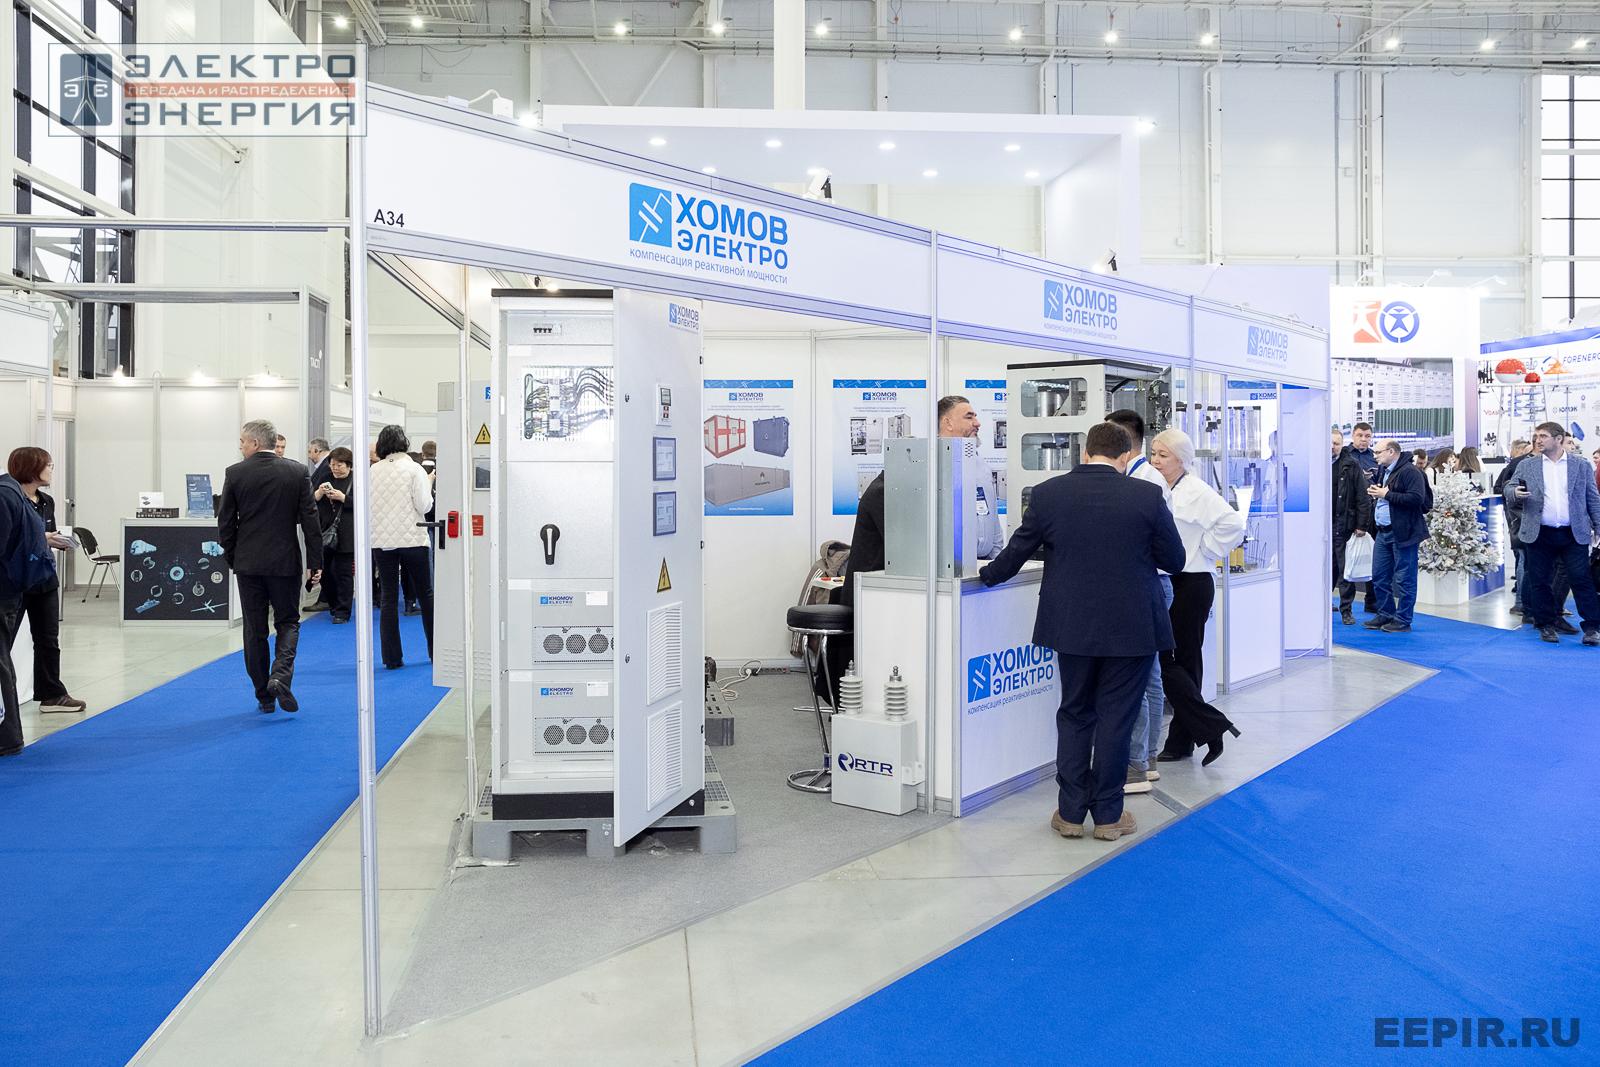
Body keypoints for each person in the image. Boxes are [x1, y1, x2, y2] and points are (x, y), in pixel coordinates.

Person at [979, 421, 1185, 842]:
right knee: (1117, 718)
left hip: (1072, 627)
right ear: (1125, 456)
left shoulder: (1049, 494)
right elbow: (1175, 560)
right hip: (1132, 629)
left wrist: (984, 577)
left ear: (1085, 452)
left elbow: (1015, 553)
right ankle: (1109, 816)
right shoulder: (1147, 495)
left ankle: (1071, 812)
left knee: (1075, 713)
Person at [825, 396, 1003, 699]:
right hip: (878, 596)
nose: (978, 423)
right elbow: (914, 543)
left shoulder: (971, 469)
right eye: (969, 416)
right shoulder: (887, 490)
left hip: (909, 589)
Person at [1148, 428, 1247, 766]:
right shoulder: (1159, 488)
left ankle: (1190, 735)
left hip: (1190, 583)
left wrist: (1205, 549)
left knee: (1179, 660)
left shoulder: (1197, 491)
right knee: (1174, 661)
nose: (1156, 460)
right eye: (1153, 453)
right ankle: (1198, 732)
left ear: (1182, 459)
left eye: (1163, 455)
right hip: (1168, 580)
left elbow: (1233, 524)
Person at [218, 420, 323, 713]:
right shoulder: (297, 472)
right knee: (288, 622)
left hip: (248, 564)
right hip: (285, 562)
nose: (240, 446)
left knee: (254, 630)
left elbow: (225, 523)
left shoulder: (235, 473)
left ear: (254, 443)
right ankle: (280, 675)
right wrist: (315, 563)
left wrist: (233, 557)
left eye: (242, 441)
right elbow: (311, 521)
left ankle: (264, 696)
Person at [1108, 408, 1170, 792]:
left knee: (1141, 678)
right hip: (1151, 583)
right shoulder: (1141, 478)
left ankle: (1138, 761)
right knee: (1150, 677)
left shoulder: (1145, 482)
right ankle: (1147, 757)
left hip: (1148, 583)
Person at [1504, 422, 1600, 646]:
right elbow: (1508, 487)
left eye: (1543, 436)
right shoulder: (1528, 465)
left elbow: (1592, 497)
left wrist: (1598, 526)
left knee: (1581, 579)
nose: (1538, 440)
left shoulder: (1581, 465)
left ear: (1558, 439)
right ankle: (1545, 624)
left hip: (1573, 533)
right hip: (1539, 533)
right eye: (1536, 435)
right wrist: (1515, 492)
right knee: (1540, 581)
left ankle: (1592, 627)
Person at [7, 448, 85, 713]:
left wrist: (55, 540)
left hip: (44, 578)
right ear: (31, 467)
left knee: (48, 639)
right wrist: (43, 538)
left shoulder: (46, 501)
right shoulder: (10, 499)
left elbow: (44, 533)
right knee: (5, 640)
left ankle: (52, 694)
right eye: (48, 465)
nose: (52, 470)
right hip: (16, 581)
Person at [1, 463, 55, 756]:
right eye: (48, 465)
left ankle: (7, 737)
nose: (51, 470)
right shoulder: (12, 494)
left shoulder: (6, 495)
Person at [370, 424, 435, 669]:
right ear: (404, 443)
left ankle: (392, 658)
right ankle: (435, 653)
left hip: (382, 541)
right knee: (426, 595)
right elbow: (424, 505)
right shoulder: (414, 469)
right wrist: (428, 482)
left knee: (388, 598)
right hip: (413, 539)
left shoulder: (373, 471)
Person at [1363, 439, 1432, 634]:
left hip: (1403, 532)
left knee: (1404, 578)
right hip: (1383, 531)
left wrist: (1386, 495)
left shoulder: (1411, 472)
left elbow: (1416, 498)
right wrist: (1379, 494)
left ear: (1391, 452)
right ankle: (1385, 613)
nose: (1375, 456)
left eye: (1378, 452)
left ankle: (1403, 619)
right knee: (1379, 576)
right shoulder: (1384, 470)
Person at [935, 395, 1004, 560]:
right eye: (969, 417)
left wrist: (995, 561)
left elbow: (992, 517)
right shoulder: (931, 465)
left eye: (975, 417)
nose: (977, 423)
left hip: (983, 563)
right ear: (948, 423)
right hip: (948, 565)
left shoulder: (980, 464)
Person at [1332, 430, 1373, 626]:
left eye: (1336, 443)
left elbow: (1362, 498)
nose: (1333, 447)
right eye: (1330, 443)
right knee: (1323, 569)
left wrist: (1361, 525)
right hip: (1319, 529)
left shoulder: (1351, 465)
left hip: (1344, 526)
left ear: (1342, 445)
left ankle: (1346, 610)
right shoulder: (1314, 465)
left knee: (1345, 571)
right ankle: (1320, 605)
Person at [313, 447, 356, 624]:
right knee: (324, 573)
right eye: (332, 465)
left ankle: (343, 611)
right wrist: (320, 493)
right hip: (325, 531)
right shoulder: (325, 477)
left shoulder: (356, 480)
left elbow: (364, 504)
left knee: (344, 574)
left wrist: (343, 498)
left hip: (346, 533)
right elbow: (311, 501)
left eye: (339, 465)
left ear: (349, 465)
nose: (335, 468)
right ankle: (333, 604)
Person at [1495, 439, 1534, 616]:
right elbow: (1502, 488)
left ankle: (1524, 603)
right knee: (1524, 560)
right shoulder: (1520, 464)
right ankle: (1521, 603)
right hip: (1521, 521)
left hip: (1518, 520)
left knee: (1524, 561)